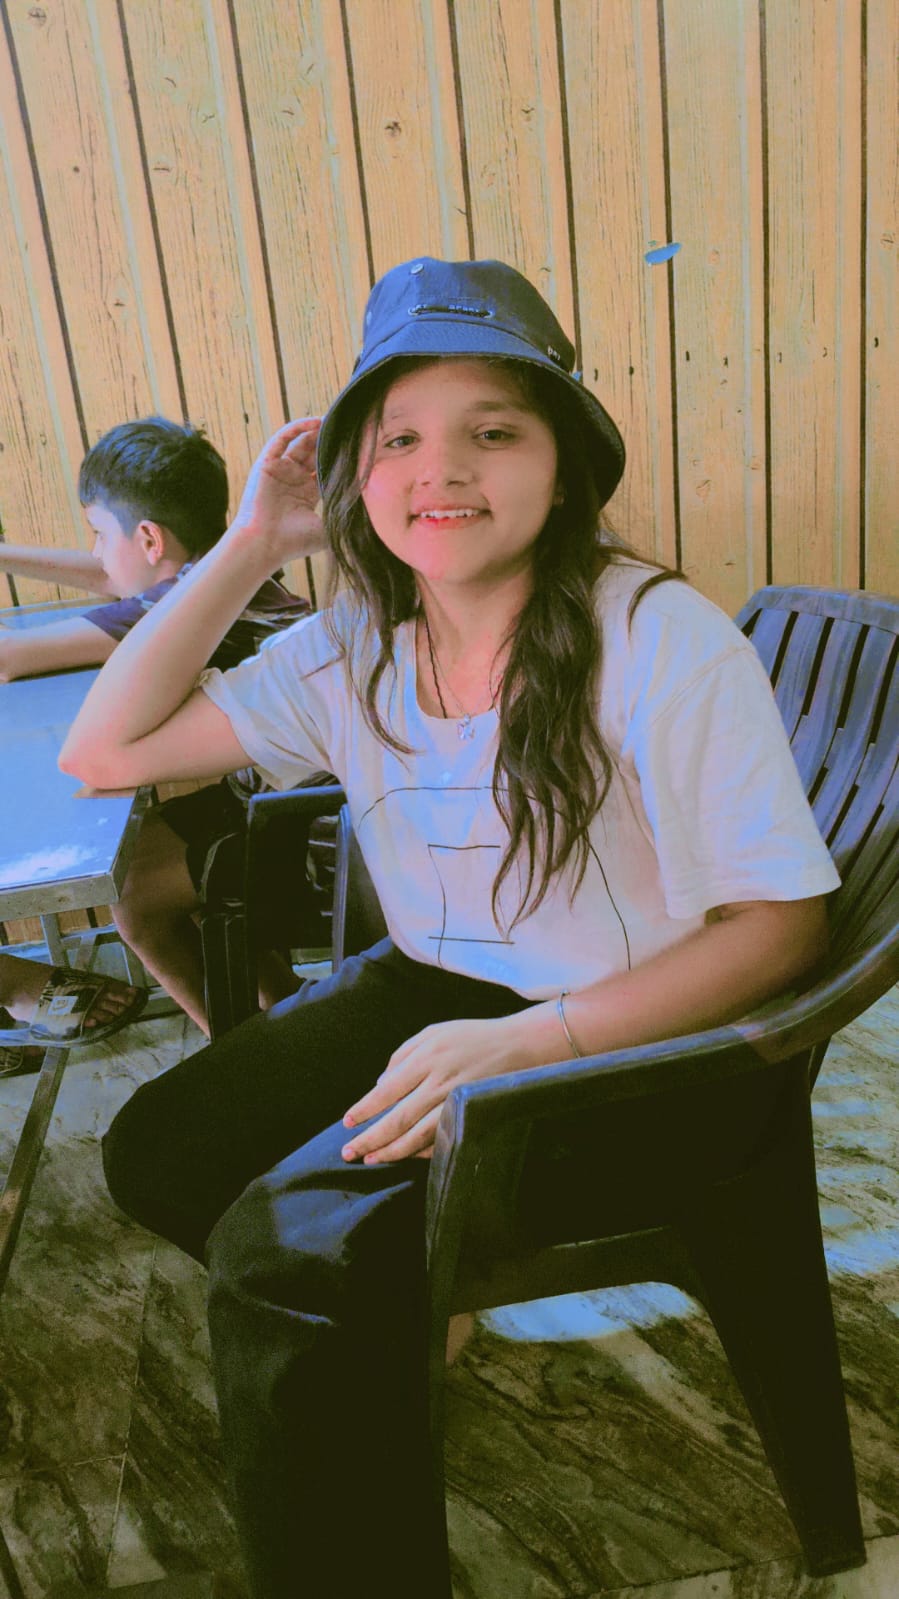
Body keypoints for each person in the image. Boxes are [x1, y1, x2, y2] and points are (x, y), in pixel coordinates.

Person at [59, 258, 839, 1599]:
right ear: (353, 476)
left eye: (493, 429)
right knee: (163, 1151)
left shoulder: (656, 636)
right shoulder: (352, 642)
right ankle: (391, 1343)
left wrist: (534, 1040)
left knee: (288, 1255)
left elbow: (779, 929)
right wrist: (250, 544)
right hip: (443, 990)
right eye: (399, 438)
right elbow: (103, 752)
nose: (444, 468)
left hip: (646, 1055)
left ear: (562, 463)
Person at [0, 417, 313, 1041]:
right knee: (157, 848)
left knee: (138, 897)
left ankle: (240, 1053)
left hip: (306, 835)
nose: (94, 552)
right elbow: (114, 575)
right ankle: (290, 1007)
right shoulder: (227, 572)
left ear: (148, 538)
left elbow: (8, 658)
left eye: (98, 533)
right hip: (304, 801)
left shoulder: (179, 601)